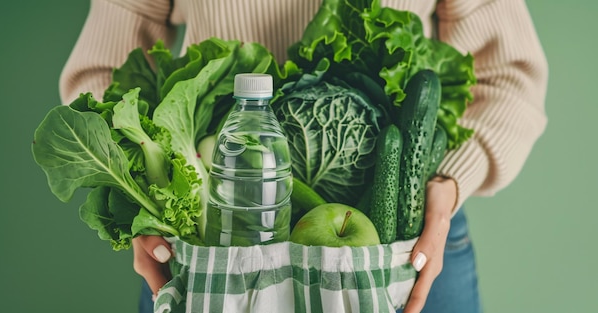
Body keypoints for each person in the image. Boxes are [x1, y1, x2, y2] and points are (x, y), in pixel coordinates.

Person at [59, 0, 548, 312]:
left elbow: (510, 76)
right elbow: (103, 75)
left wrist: (450, 183)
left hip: (408, 243)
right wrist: (151, 196)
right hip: (220, 239)